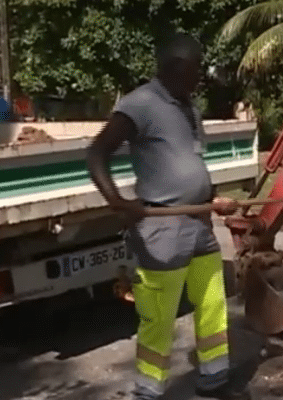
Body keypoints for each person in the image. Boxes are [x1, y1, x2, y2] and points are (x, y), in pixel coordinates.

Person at [86, 33, 250, 400]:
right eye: (197, 69)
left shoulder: (189, 108)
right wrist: (117, 200)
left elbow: (192, 162)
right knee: (158, 317)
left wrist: (214, 198)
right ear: (178, 67)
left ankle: (214, 379)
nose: (201, 78)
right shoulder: (140, 103)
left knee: (211, 304)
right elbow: (96, 154)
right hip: (161, 227)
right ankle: (148, 391)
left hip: (199, 225)